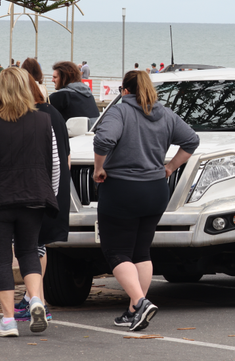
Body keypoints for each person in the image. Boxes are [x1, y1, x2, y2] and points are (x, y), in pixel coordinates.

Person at [93, 70, 199, 331]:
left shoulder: (120, 111)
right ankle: (132, 312)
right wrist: (171, 166)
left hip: (122, 189)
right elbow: (191, 140)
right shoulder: (164, 113)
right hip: (156, 189)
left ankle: (140, 302)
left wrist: (98, 169)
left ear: (125, 90)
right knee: (141, 251)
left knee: (116, 251)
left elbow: (104, 139)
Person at [0, 68, 59, 336]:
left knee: (1, 257)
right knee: (29, 251)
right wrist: (49, 195)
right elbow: (54, 165)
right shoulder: (44, 122)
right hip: (34, 198)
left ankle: (8, 320)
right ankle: (36, 300)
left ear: (0, 90)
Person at [12, 78, 71, 323]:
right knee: (38, 244)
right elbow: (65, 158)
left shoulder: (35, 117)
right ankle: (36, 298)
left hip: (38, 188)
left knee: (31, 245)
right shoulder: (54, 114)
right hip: (49, 188)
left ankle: (35, 299)